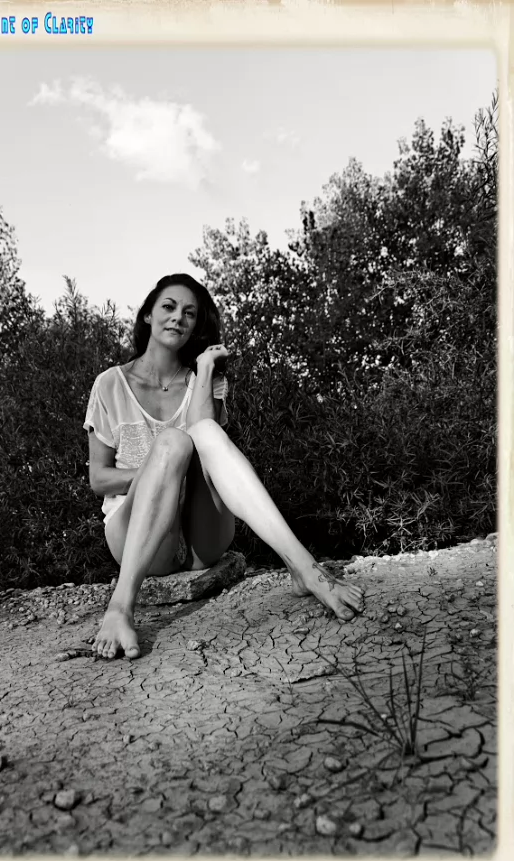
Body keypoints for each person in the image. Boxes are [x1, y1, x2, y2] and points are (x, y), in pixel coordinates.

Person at [84, 274, 364, 660]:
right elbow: (99, 479)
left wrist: (204, 369)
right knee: (172, 443)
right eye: (169, 307)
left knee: (202, 434)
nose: (178, 317)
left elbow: (203, 434)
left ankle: (304, 569)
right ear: (148, 314)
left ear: (196, 325)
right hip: (138, 537)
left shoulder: (207, 380)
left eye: (189, 313)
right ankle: (119, 609)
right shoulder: (109, 385)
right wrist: (159, 473)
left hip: (201, 539)